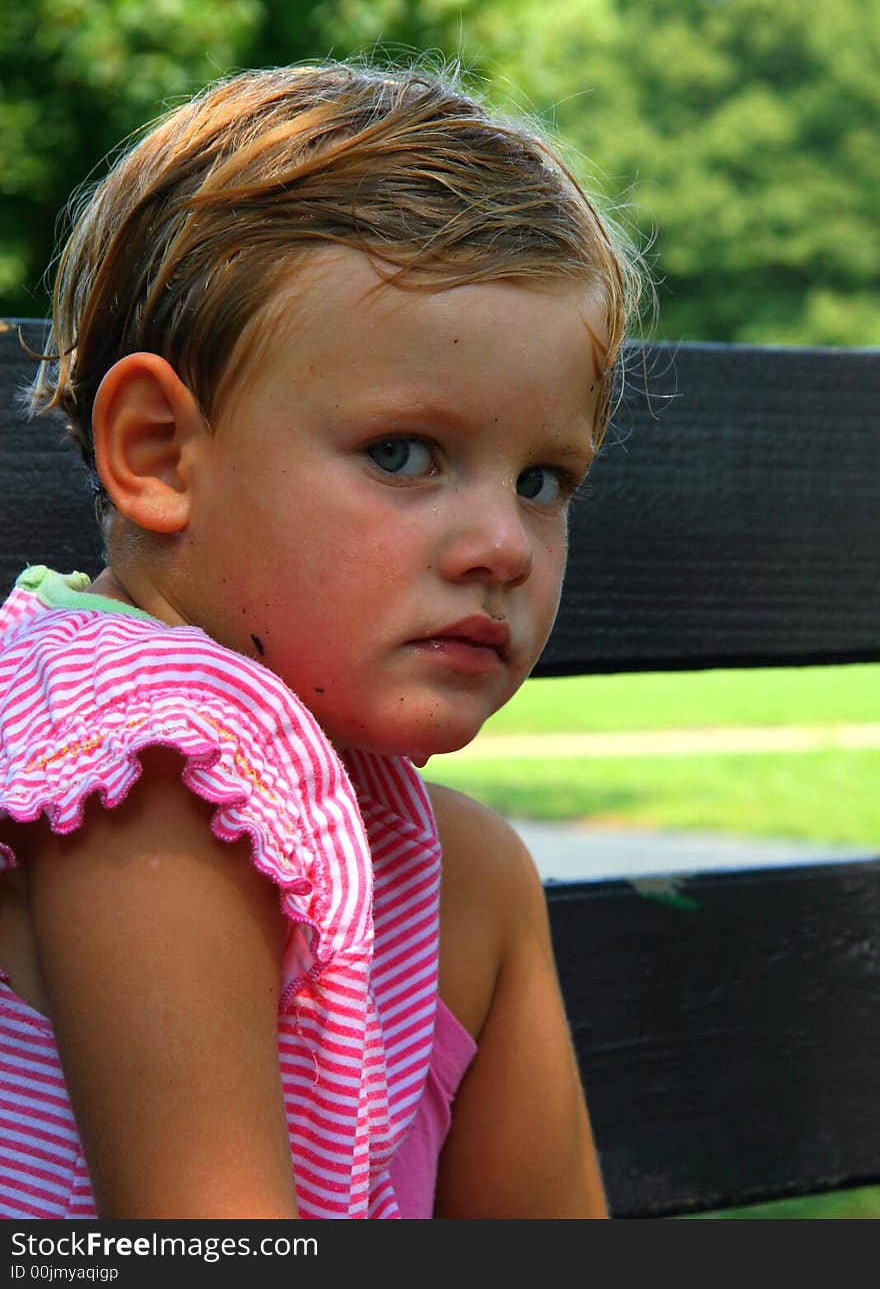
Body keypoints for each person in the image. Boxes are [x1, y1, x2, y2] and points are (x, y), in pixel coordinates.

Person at [0, 61, 641, 1219]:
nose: (501, 543)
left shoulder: (468, 884)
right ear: (158, 455)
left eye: (544, 478)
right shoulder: (141, 772)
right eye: (402, 453)